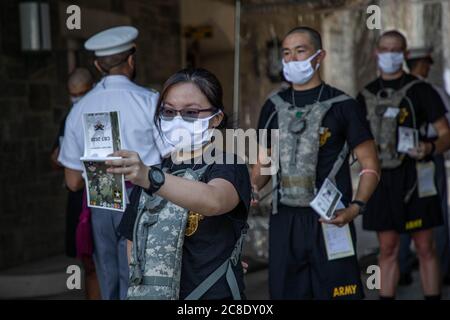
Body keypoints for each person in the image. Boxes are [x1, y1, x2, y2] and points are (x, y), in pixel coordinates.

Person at [251, 26, 380, 300]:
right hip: (284, 219)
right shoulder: (272, 106)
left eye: (301, 51)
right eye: (287, 53)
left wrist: (356, 208)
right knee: (287, 293)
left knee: (339, 294)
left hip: (332, 217)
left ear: (319, 56)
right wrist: (250, 188)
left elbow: (370, 165)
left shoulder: (343, 105)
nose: (292, 59)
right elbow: (264, 163)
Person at [111, 68, 251, 299]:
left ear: (216, 118)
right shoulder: (153, 171)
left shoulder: (227, 164)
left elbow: (214, 200)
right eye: (168, 111)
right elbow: (132, 243)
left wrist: (150, 178)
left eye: (190, 112)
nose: (176, 120)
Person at [58, 26, 168, 300]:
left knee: (108, 280)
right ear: (132, 59)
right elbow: (171, 158)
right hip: (144, 197)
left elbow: (72, 182)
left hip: (101, 198)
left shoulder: (78, 109)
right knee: (142, 278)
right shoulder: (150, 101)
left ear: (97, 65)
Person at [358, 31, 450, 300]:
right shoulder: (365, 94)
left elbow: (446, 132)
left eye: (395, 50)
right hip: (380, 179)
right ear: (377, 53)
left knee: (425, 246)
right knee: (387, 248)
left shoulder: (421, 90)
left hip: (415, 177)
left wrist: (430, 147)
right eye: (385, 49)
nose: (390, 55)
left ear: (405, 54)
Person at [398, 47, 450, 286]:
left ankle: (402, 266)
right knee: (434, 211)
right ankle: (442, 268)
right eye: (427, 64)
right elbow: (446, 129)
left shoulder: (395, 90)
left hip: (398, 161)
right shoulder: (431, 90)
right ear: (422, 65)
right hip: (429, 156)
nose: (428, 68)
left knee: (400, 208)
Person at [50, 68, 101, 300]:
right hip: (78, 198)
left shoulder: (102, 112)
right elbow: (57, 158)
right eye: (72, 94)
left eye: (81, 93)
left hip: (102, 196)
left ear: (92, 87)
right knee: (89, 266)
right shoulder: (69, 119)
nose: (76, 99)